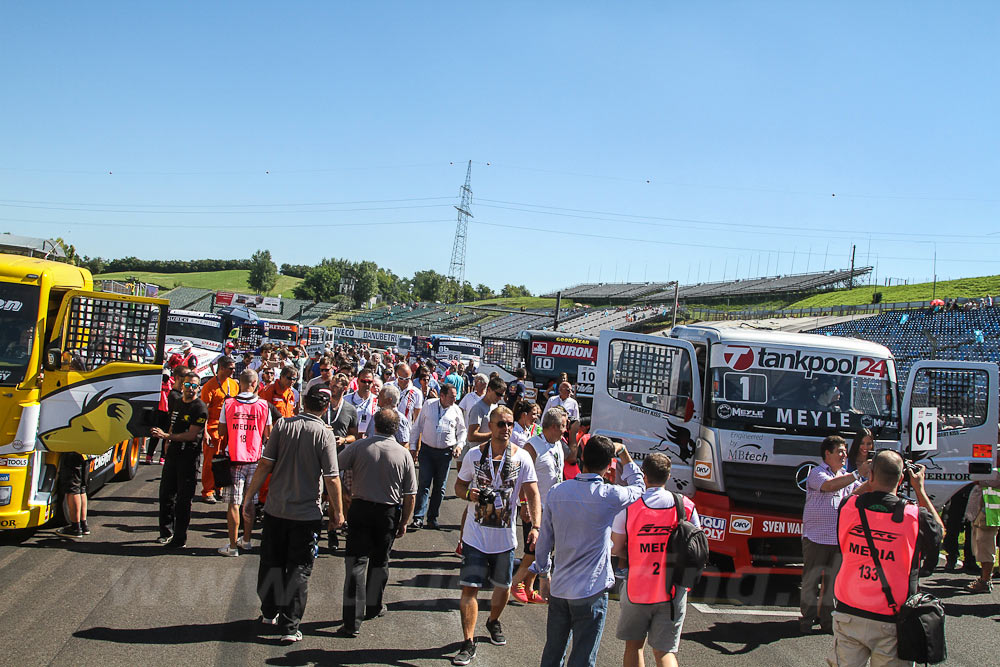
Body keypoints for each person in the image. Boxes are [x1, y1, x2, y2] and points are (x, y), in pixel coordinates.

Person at [240, 384, 345, 644]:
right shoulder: (324, 434)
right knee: (299, 568)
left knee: (271, 562)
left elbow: (265, 464)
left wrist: (248, 497)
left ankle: (268, 611)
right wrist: (338, 512)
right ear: (324, 408)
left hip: (276, 509)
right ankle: (289, 625)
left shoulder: (283, 426)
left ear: (304, 403)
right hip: (306, 514)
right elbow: (332, 478)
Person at [531, 435, 644, 667]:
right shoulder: (609, 495)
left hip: (561, 587)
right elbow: (639, 486)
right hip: (591, 590)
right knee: (583, 658)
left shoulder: (556, 492)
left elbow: (544, 541)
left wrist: (543, 574)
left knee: (553, 653)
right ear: (608, 465)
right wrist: (623, 453)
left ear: (582, 459)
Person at [827, 451, 943, 666]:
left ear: (871, 476)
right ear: (901, 480)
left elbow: (851, 497)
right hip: (892, 617)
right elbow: (939, 533)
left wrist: (872, 476)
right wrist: (919, 489)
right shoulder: (915, 516)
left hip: (849, 609)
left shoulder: (849, 508)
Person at [452, 407, 542, 666]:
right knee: (470, 588)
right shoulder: (474, 455)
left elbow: (533, 493)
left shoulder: (522, 457)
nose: (506, 429)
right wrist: (469, 495)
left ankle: (492, 621)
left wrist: (535, 525)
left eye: (510, 424)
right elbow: (459, 485)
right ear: (490, 426)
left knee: (503, 587)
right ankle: (468, 642)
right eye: (501, 424)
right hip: (475, 537)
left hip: (504, 539)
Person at [611, 453, 698, 667]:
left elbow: (616, 548)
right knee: (664, 652)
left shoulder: (631, 507)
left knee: (633, 646)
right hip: (672, 590)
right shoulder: (685, 506)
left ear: (644, 475)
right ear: (668, 476)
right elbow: (696, 546)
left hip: (637, 587)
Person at [337, 409, 418, 636]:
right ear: (396, 429)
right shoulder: (403, 455)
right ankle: (373, 606)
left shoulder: (360, 446)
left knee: (356, 563)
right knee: (380, 562)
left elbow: (335, 467)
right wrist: (404, 521)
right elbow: (411, 494)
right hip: (387, 512)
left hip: (360, 507)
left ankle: (352, 621)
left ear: (375, 425)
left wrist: (344, 494)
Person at [801, 435, 867, 634]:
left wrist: (874, 476)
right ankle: (806, 620)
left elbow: (859, 492)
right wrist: (857, 474)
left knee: (833, 584)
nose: (844, 455)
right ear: (827, 454)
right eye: (840, 451)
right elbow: (830, 486)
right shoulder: (817, 473)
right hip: (816, 538)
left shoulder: (847, 476)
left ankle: (828, 622)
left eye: (845, 451)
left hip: (838, 539)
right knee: (811, 581)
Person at [511, 406, 566, 604]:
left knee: (546, 550)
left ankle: (529, 586)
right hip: (535, 506)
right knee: (533, 549)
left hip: (553, 506)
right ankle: (516, 582)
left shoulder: (557, 443)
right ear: (553, 426)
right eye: (563, 426)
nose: (564, 430)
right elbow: (520, 477)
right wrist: (524, 503)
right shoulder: (532, 446)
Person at [217, 368, 272, 556]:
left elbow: (221, 432)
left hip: (234, 457)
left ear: (239, 383)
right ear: (255, 384)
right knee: (249, 502)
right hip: (255, 458)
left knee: (233, 502)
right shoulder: (264, 405)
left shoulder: (229, 403)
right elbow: (268, 434)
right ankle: (246, 540)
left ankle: (232, 546)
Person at [153, 370, 208, 549]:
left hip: (189, 457)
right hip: (173, 455)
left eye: (194, 386)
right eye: (187, 385)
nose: (190, 389)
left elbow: (191, 435)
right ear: (182, 385)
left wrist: (166, 436)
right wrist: (168, 440)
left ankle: (179, 538)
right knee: (166, 495)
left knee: (183, 500)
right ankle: (165, 532)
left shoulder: (200, 408)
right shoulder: (176, 401)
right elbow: (172, 422)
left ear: (198, 388)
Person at [409, 384, 466, 530]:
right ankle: (418, 517)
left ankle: (432, 517)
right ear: (442, 396)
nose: (455, 399)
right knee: (424, 484)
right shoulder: (429, 405)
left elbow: (462, 431)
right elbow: (417, 427)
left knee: (440, 487)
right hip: (427, 451)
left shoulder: (456, 410)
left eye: (455, 396)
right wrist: (413, 448)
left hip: (445, 453)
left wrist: (459, 445)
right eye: (452, 396)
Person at [199, 356, 239, 504]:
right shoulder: (209, 386)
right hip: (213, 428)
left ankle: (219, 487)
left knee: (224, 460)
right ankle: (207, 491)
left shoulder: (233, 385)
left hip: (228, 429)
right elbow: (203, 413)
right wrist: (205, 432)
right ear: (221, 368)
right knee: (210, 461)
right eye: (231, 368)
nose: (233, 371)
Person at [963, 466, 1000, 593]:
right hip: (984, 512)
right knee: (982, 546)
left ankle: (985, 581)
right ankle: (984, 579)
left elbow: (977, 477)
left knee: (985, 547)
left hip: (989, 514)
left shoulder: (994, 473)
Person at [346, 367, 379, 436]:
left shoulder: (377, 401)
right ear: (358, 381)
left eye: (369, 382)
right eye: (363, 381)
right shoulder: (346, 399)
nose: (366, 384)